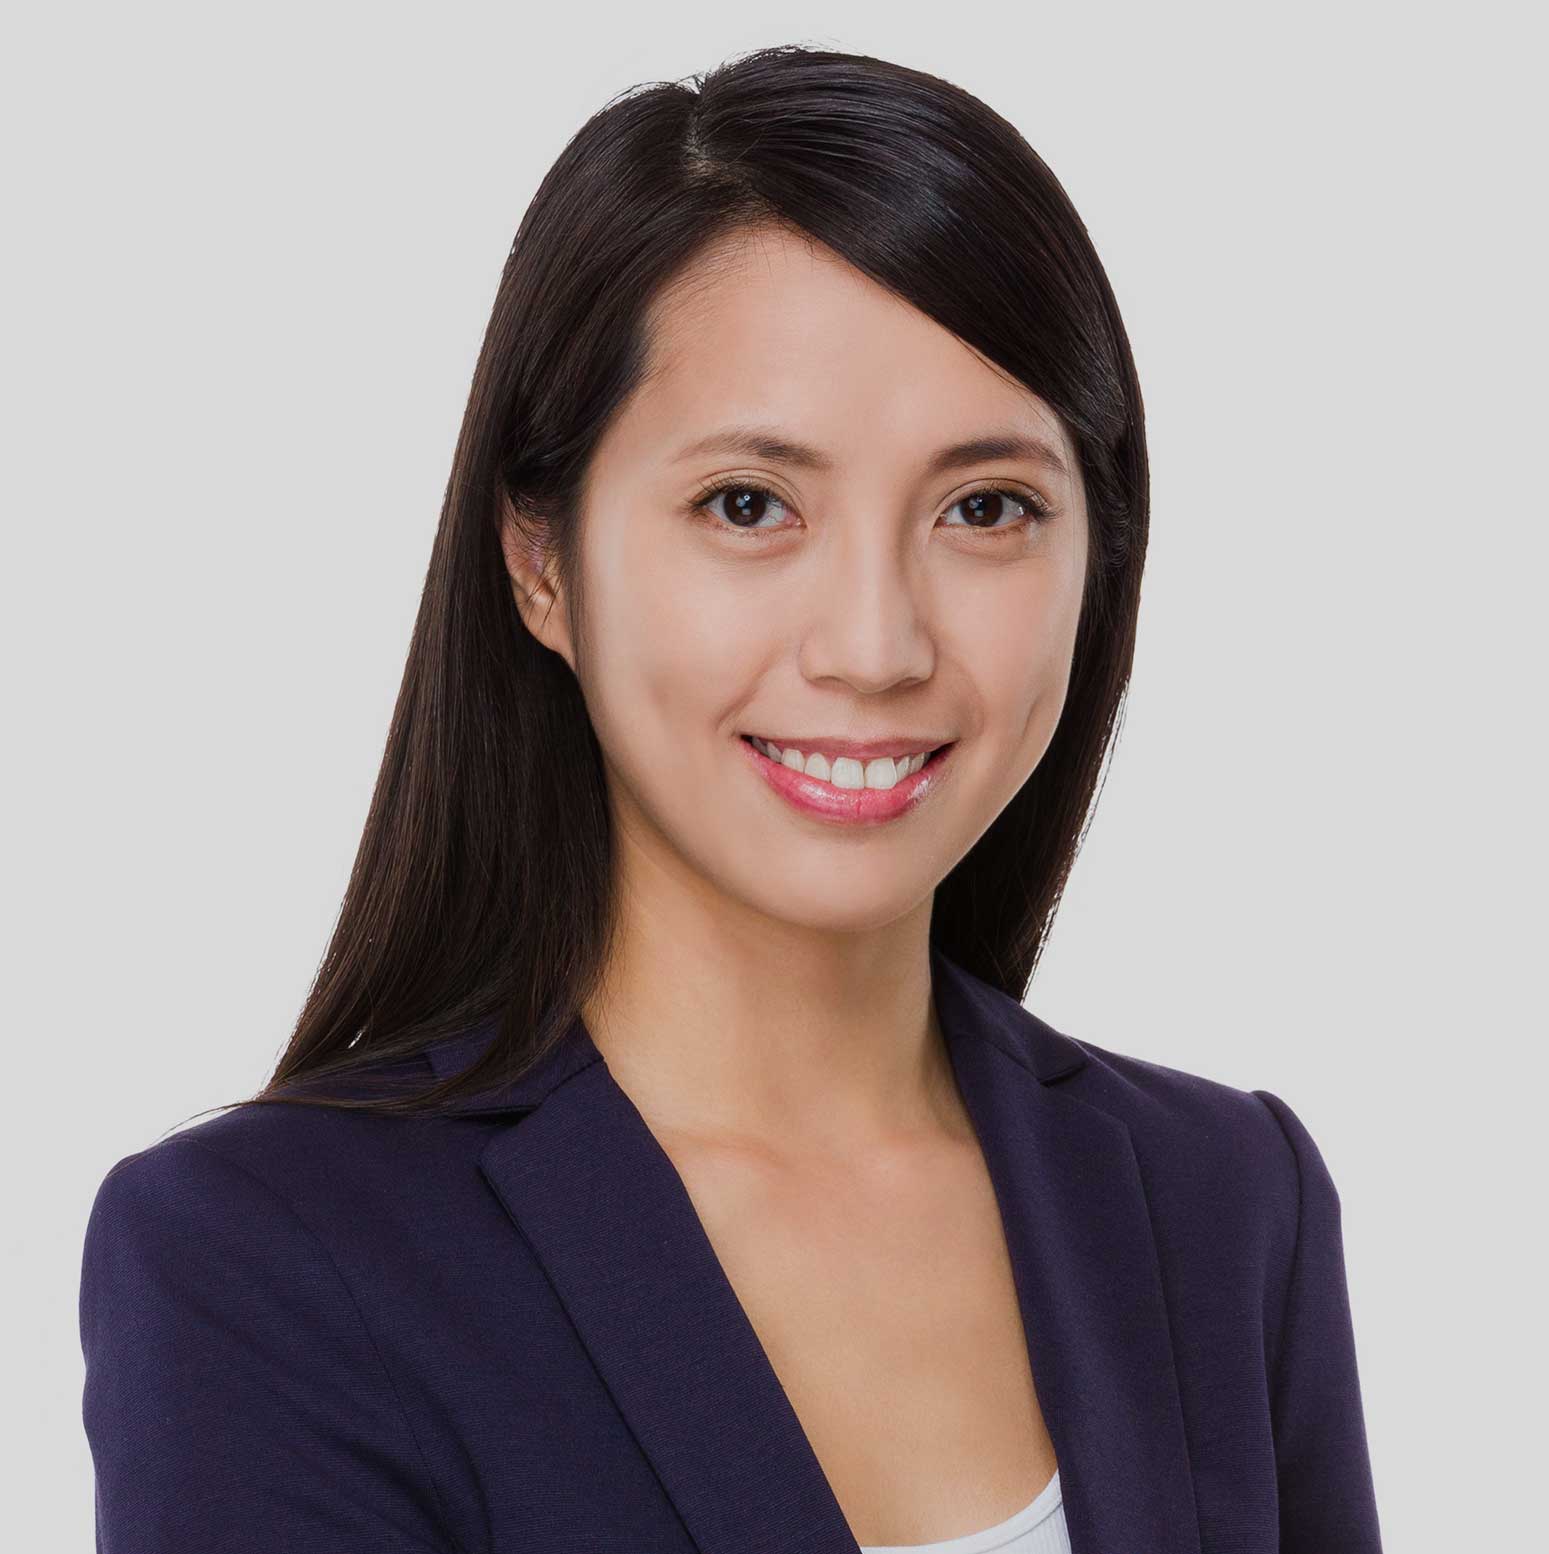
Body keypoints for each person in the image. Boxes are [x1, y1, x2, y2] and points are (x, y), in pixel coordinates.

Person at [78, 43, 1383, 1554]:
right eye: (748, 504)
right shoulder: (270, 1258)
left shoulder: (1224, 1201)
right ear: (540, 561)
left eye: (986, 507)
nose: (876, 647)